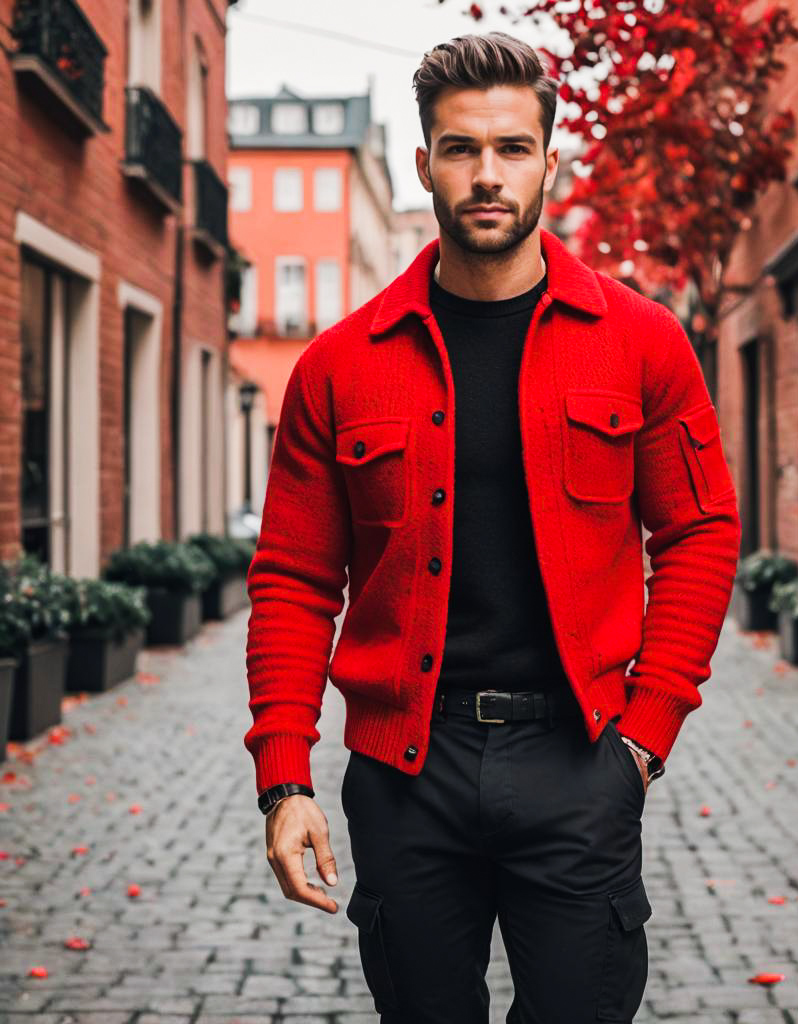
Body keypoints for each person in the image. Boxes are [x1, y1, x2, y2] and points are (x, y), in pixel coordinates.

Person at [243, 30, 741, 1024]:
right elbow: (295, 576)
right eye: (460, 148)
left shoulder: (643, 344)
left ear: (548, 163)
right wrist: (283, 778)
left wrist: (643, 737)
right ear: (423, 161)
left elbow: (699, 532)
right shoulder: (339, 366)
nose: (486, 174)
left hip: (578, 762)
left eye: (512, 149)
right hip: (402, 776)